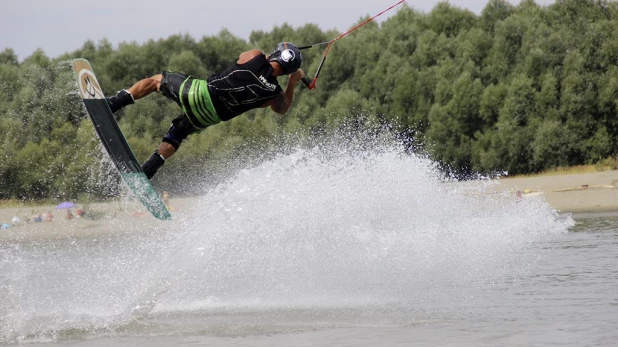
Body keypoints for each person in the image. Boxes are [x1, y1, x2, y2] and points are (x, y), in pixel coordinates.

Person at [106, 42, 306, 179]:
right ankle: (149, 169)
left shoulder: (254, 57)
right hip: (210, 117)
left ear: (276, 54)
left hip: (200, 93)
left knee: (156, 81)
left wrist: (269, 56)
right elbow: (282, 108)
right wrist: (293, 82)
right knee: (178, 132)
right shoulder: (273, 93)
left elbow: (245, 56)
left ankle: (114, 103)